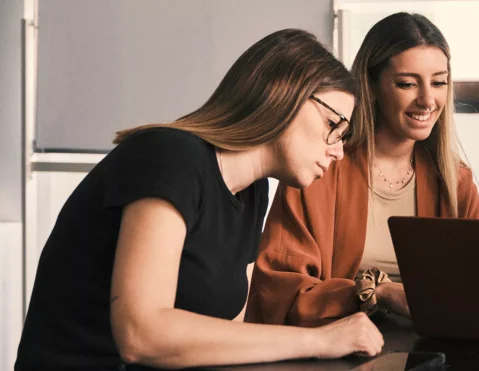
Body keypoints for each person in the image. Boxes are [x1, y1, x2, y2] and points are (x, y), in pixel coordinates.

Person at [16, 29, 384, 370]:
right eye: (334, 125)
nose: (338, 151)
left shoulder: (253, 191)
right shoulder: (170, 157)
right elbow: (141, 334)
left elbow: (227, 333)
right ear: (283, 94)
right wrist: (318, 340)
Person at [247, 13, 479, 327]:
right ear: (371, 85)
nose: (428, 100)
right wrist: (376, 293)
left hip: (432, 342)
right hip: (336, 342)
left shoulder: (455, 180)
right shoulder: (317, 169)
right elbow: (279, 294)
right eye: (407, 84)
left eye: (439, 82)